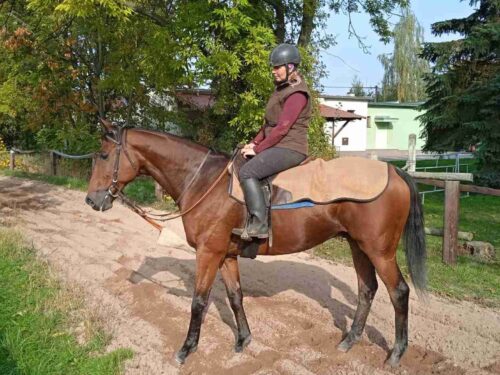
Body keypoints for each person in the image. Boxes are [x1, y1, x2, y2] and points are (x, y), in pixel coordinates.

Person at [232, 43, 312, 241]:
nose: (273, 71)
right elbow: (267, 126)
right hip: (278, 143)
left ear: (290, 67)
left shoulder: (297, 93)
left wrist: (258, 150)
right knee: (238, 158)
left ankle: (259, 224)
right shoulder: (281, 90)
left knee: (249, 171)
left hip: (291, 147)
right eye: (273, 67)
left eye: (277, 67)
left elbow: (282, 128)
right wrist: (252, 144)